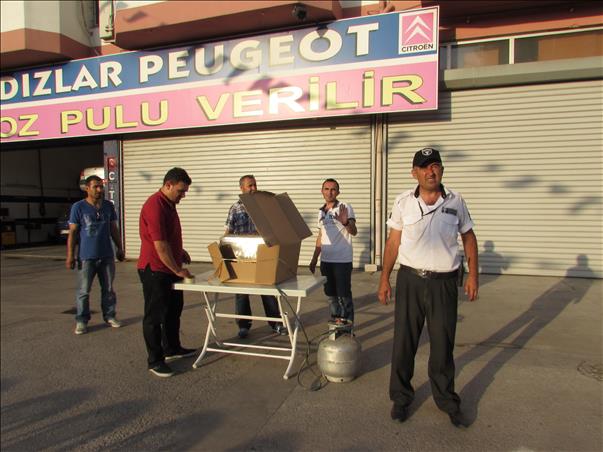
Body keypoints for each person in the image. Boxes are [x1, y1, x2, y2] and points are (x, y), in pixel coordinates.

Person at [377, 148, 479, 428]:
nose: (431, 171)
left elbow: (469, 238)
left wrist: (473, 276)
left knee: (442, 345)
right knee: (404, 342)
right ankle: (400, 398)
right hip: (410, 280)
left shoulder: (456, 201)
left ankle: (447, 400)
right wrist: (384, 277)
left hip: (444, 283)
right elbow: (393, 242)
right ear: (415, 173)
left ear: (442, 171)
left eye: (436, 166)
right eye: (424, 167)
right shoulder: (403, 202)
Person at [138, 167, 196, 378]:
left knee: (174, 310)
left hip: (168, 266)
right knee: (155, 316)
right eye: (180, 191)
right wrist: (178, 269)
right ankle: (155, 360)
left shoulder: (169, 204)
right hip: (155, 269)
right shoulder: (155, 205)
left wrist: (180, 251)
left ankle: (172, 348)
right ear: (168, 184)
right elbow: (160, 245)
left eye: (185, 192)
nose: (183, 195)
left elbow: (169, 237)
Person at [225, 175, 286, 338]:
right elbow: (229, 232)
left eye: (255, 185)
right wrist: (225, 253)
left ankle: (276, 323)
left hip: (262, 253)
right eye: (249, 186)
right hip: (242, 256)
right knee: (241, 293)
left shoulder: (263, 207)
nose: (253, 188)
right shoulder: (235, 209)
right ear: (242, 189)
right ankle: (244, 325)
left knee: (267, 290)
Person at [66, 175, 125, 335]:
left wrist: (119, 248)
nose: (100, 189)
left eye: (101, 186)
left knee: (108, 289)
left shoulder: (108, 206)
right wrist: (70, 255)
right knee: (84, 291)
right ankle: (81, 321)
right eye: (96, 187)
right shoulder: (78, 207)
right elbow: (73, 233)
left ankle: (110, 316)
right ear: (87, 188)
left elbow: (113, 228)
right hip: (86, 257)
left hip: (106, 255)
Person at [309, 178, 357, 325]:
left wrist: (345, 222)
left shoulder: (344, 207)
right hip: (326, 261)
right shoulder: (321, 212)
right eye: (326, 189)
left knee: (343, 295)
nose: (330, 192)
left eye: (333, 189)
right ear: (322, 191)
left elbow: (353, 231)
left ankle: (347, 326)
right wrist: (314, 259)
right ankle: (336, 322)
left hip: (342, 260)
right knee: (330, 295)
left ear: (338, 192)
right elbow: (320, 237)